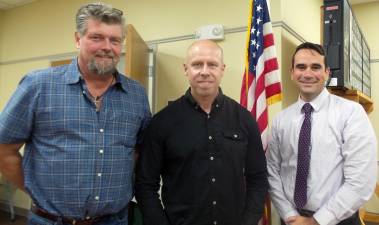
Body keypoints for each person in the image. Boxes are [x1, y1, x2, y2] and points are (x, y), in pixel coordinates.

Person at [0, 3, 151, 225]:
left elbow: (139, 150)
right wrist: (35, 189)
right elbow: (5, 148)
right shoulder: (38, 85)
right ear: (78, 39)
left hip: (114, 220)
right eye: (96, 37)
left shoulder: (136, 94)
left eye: (115, 40)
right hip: (50, 221)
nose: (107, 47)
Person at [135, 39, 268, 225]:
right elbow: (145, 185)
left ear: (222, 69)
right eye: (197, 64)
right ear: (185, 69)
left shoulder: (244, 119)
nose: (205, 71)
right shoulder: (161, 123)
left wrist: (248, 221)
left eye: (212, 64)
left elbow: (258, 178)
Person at [267, 42, 377, 225]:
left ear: (327, 73)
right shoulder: (281, 120)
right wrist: (289, 215)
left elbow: (360, 181)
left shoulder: (351, 113)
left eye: (315, 67)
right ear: (292, 73)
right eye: (301, 67)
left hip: (337, 218)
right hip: (291, 219)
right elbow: (272, 171)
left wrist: (316, 221)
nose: (308, 74)